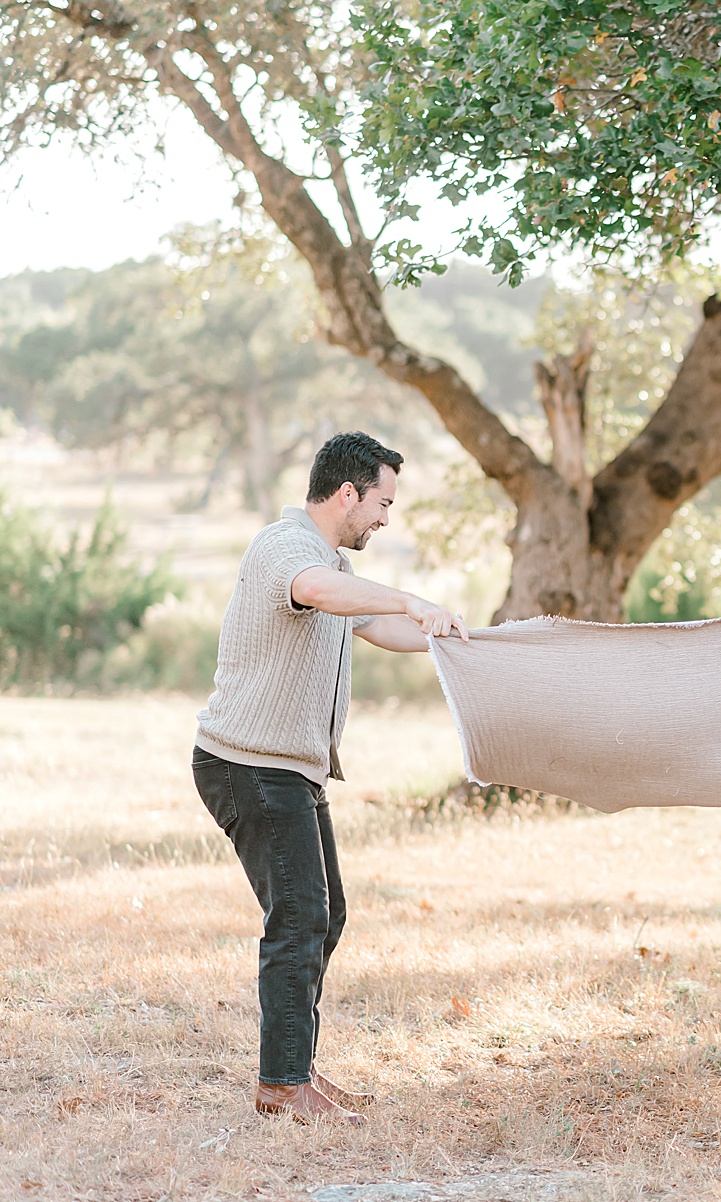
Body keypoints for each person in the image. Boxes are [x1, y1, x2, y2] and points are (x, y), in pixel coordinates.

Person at [191, 431, 469, 1124]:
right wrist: (411, 597)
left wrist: (455, 638)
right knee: (300, 916)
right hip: (249, 763)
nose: (385, 517)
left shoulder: (332, 562)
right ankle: (282, 1087)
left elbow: (376, 623)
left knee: (324, 914)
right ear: (347, 493)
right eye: (382, 502)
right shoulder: (287, 548)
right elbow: (318, 592)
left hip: (288, 768)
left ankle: (296, 1070)